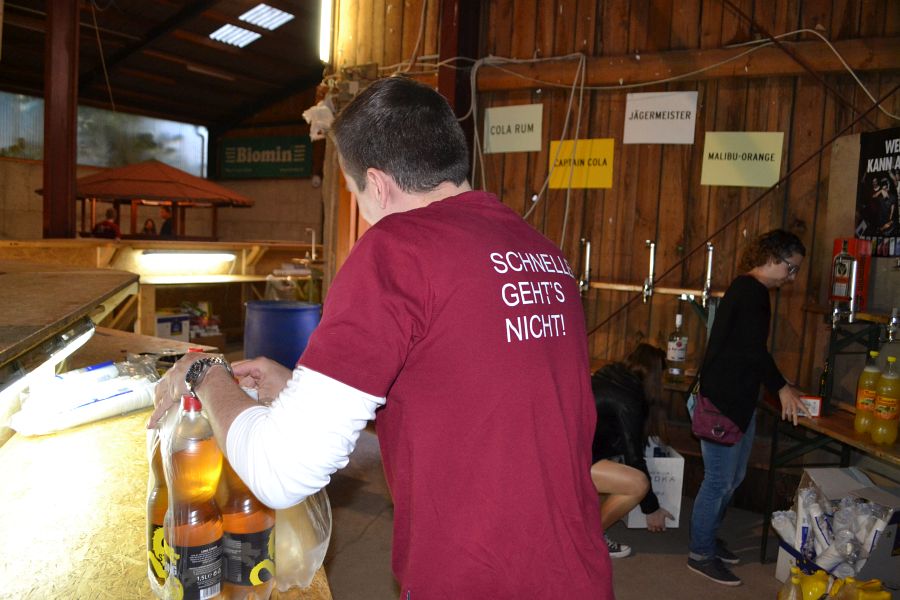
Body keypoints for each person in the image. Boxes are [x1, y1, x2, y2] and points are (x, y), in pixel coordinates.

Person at [150, 76, 614, 598]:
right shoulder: (540, 252)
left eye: (355, 195)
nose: (364, 213)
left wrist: (205, 373)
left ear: (376, 183)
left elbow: (279, 469)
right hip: (575, 575)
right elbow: (478, 395)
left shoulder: (398, 247)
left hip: (476, 581)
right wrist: (303, 388)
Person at [687, 229, 809, 587]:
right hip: (722, 402)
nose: (792, 277)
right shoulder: (750, 291)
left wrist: (780, 382)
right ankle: (700, 553)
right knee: (718, 481)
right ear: (772, 257)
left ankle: (708, 538)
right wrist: (780, 388)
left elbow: (747, 351)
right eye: (791, 267)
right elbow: (754, 350)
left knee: (733, 479)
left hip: (737, 401)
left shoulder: (751, 291)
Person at [591, 343, 671, 558]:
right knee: (638, 484)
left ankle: (585, 531)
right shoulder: (628, 398)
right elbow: (634, 459)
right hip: (565, 464)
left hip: (555, 454)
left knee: (617, 468)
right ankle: (589, 540)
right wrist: (651, 508)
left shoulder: (607, 376)